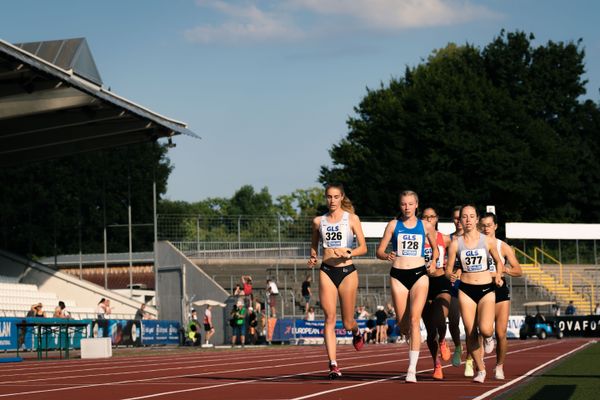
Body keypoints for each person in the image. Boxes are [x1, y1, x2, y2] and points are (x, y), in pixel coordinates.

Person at [376, 190, 439, 383]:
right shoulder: (394, 225)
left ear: (416, 205)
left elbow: (435, 249)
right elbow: (379, 250)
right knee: (403, 325)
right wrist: (386, 255)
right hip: (398, 275)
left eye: (410, 204)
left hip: (419, 274)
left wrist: (434, 261)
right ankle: (406, 332)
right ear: (400, 205)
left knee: (414, 319)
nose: (407, 207)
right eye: (404, 204)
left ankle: (411, 369)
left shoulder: (425, 225)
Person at [308, 183, 367, 379]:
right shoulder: (319, 221)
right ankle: (333, 364)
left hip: (347, 271)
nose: (331, 200)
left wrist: (349, 251)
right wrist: (313, 256)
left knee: (347, 322)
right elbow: (314, 243)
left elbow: (364, 248)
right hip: (326, 271)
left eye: (335, 197)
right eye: (328, 197)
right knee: (329, 318)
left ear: (342, 197)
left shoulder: (351, 219)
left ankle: (357, 331)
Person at [446, 204, 504, 384]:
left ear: (477, 219)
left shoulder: (487, 240)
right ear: (460, 220)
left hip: (486, 288)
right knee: (470, 332)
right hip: (466, 290)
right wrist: (452, 275)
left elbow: (498, 262)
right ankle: (481, 369)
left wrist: (499, 277)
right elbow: (447, 269)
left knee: (486, 329)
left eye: (472, 216)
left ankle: (489, 337)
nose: (468, 220)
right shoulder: (455, 243)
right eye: (465, 216)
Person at [480, 212, 523, 380]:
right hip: (480, 287)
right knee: (484, 330)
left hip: (499, 287)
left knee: (501, 332)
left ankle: (499, 366)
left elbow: (519, 270)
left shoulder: (502, 246)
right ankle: (481, 360)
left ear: (495, 226)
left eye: (489, 225)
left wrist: (503, 269)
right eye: (483, 225)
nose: (486, 228)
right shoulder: (475, 245)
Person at [421, 207, 452, 380]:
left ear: (437, 218)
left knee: (441, 316)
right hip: (423, 283)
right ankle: (436, 364)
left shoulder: (444, 238)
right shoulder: (417, 237)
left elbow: (460, 249)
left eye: (432, 217)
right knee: (430, 331)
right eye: (425, 217)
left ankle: (443, 341)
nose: (429, 220)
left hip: (441, 280)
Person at [448, 206, 465, 369]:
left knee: (472, 323)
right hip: (452, 284)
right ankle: (458, 347)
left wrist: (461, 270)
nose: (459, 221)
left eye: (461, 217)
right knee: (453, 321)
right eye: (455, 218)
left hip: (469, 283)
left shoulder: (473, 239)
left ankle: (473, 358)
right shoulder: (448, 240)